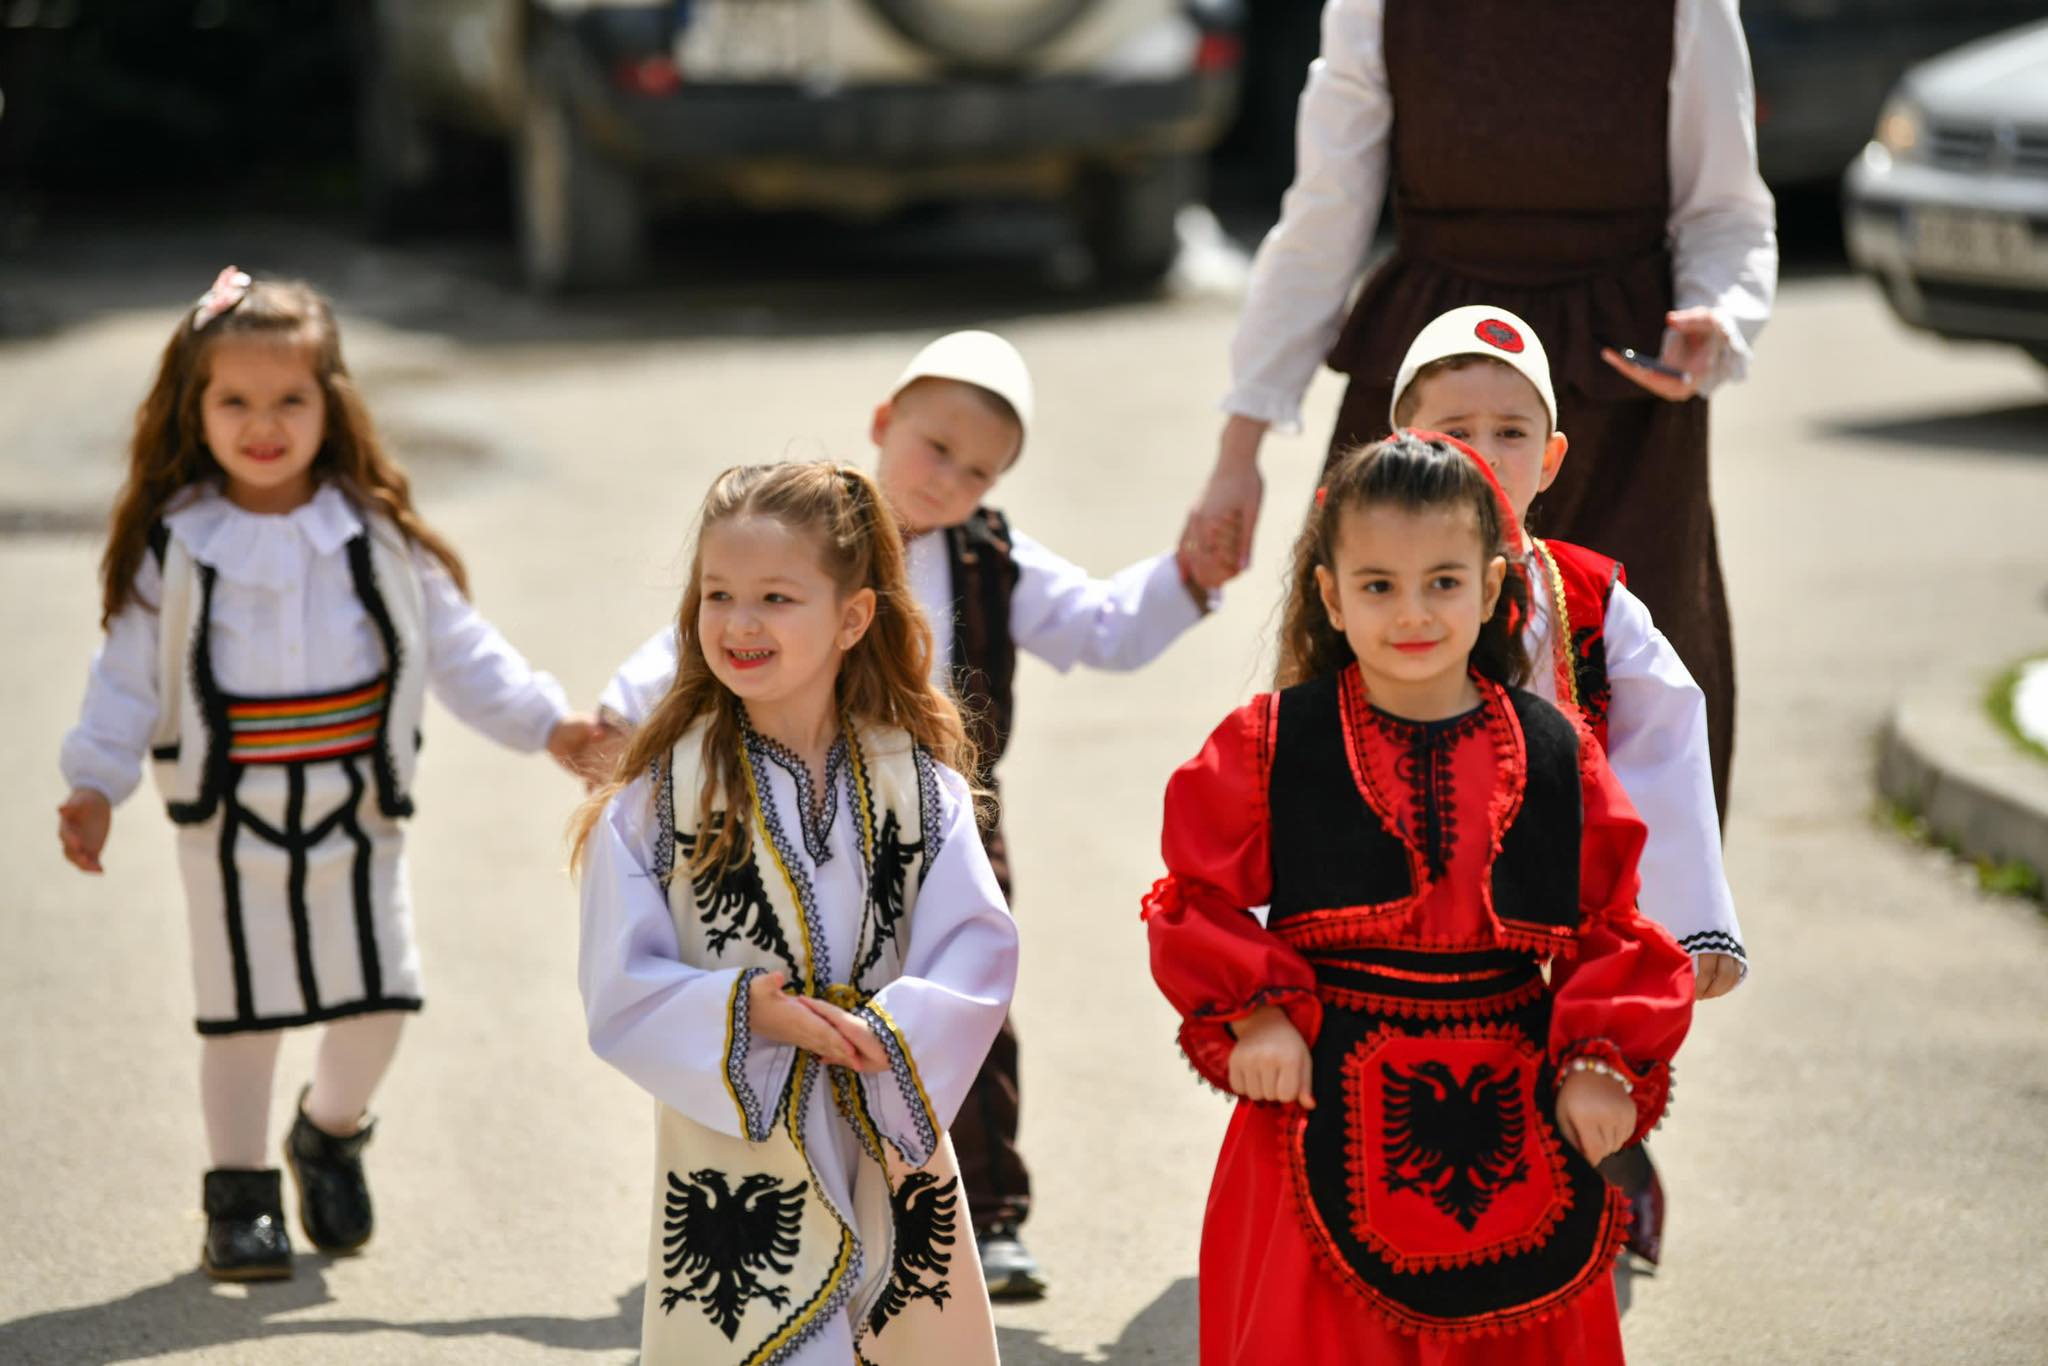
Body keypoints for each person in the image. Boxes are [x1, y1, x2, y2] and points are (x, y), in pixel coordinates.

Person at [594, 330, 1230, 1296]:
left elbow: (1105, 625)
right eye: (937, 448)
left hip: (935, 821)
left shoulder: (992, 558)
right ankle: (786, 1221)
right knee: (786, 1000)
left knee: (961, 1004)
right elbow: (710, 629)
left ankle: (980, 1203)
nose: (949, 481)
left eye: (978, 471)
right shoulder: (801, 532)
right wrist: (611, 718)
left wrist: (1190, 576)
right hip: (775, 807)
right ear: (886, 424)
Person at [55, 269, 604, 1281]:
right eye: (236, 402)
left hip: (358, 804)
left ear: (332, 403)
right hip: (231, 816)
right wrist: (96, 780)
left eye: (289, 401)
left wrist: (546, 724)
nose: (264, 425)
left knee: (379, 996)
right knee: (245, 1010)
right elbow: (127, 676)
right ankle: (240, 1194)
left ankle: (330, 1129)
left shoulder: (374, 531)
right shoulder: (175, 542)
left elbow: (460, 647)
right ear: (196, 408)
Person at [1144, 431, 1694, 1363]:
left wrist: (1604, 1057)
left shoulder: (1559, 752)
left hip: (1520, 1117)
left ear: (1489, 588)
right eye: (1379, 585)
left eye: (1444, 581)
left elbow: (1616, 927)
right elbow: (1196, 899)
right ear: (1330, 594)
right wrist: (1258, 1015)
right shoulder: (1271, 742)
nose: (1414, 612)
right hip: (1317, 1109)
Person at [1197, 0, 1777, 821]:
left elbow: (1726, 209)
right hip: (1431, 384)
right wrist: (1238, 448)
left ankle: (1644, 946)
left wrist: (1718, 317)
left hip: (1620, 402)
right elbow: (1325, 212)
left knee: (1635, 719)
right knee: (1372, 697)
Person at [573, 461, 1018, 1365]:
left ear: (853, 616)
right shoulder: (659, 802)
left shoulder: (919, 787)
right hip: (737, 1163)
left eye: (776, 596)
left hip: (882, 1128)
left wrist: (889, 1034)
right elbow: (621, 986)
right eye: (718, 594)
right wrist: (748, 1012)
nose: (739, 623)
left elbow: (974, 948)